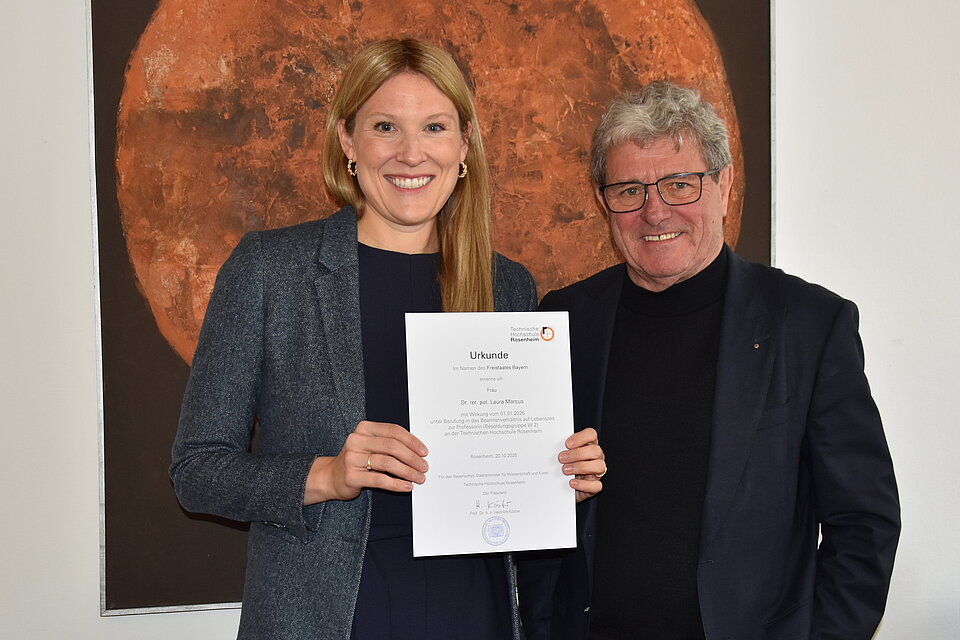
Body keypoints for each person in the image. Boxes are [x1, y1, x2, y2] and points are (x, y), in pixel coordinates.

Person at [170, 38, 604, 640]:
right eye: (384, 126)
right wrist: (327, 475)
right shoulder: (271, 271)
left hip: (472, 612)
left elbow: (502, 475)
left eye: (433, 126)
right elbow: (196, 470)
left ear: (464, 145)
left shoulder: (507, 285)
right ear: (348, 141)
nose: (410, 153)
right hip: (330, 618)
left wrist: (556, 480)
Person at [518, 82, 900, 639]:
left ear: (723, 184)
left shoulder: (809, 325)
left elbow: (862, 524)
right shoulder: (562, 321)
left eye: (679, 184)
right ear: (603, 203)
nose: (655, 211)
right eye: (629, 190)